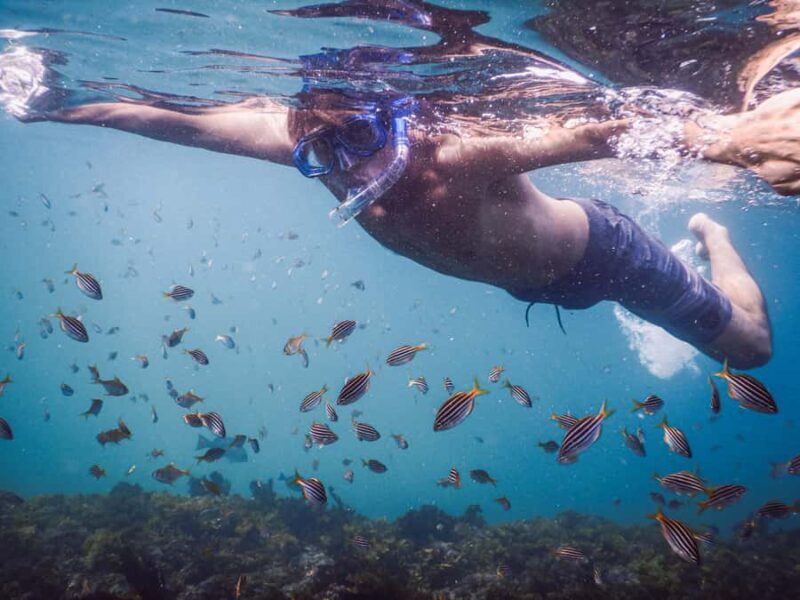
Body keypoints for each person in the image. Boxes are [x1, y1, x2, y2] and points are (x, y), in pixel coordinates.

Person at [2, 22, 798, 369]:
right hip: (528, 278)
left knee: (751, 349)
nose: (348, 166)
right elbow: (166, 121)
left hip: (603, 256)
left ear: (400, 119)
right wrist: (58, 103)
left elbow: (605, 130)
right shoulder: (304, 143)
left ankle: (711, 237)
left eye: (362, 140)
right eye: (327, 150)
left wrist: (737, 142)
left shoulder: (459, 150)